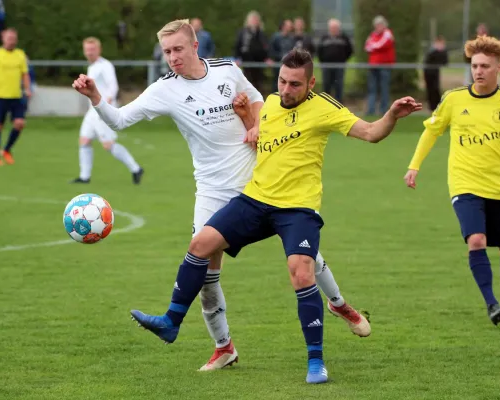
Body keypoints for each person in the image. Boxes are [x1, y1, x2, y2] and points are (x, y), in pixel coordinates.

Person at [72, 20, 371, 375]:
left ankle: (338, 304)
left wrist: (256, 126)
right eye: (167, 52)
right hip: (212, 193)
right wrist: (95, 98)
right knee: (205, 275)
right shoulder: (163, 90)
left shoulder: (227, 70)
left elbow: (260, 100)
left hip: (257, 184)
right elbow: (119, 121)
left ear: (195, 45)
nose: (172, 58)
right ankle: (223, 347)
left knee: (306, 258)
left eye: (178, 49)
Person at [404, 35, 500, 325]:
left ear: (499, 67)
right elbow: (431, 131)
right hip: (464, 184)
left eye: (485, 66)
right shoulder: (454, 99)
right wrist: (414, 165)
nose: (478, 71)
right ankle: (492, 305)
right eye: (474, 65)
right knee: (476, 240)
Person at [70, 37, 143, 184]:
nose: (90, 52)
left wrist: (105, 106)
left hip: (101, 110)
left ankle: (136, 169)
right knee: (84, 140)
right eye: (87, 49)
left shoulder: (105, 65)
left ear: (99, 49)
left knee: (107, 145)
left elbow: (113, 87)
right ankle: (85, 177)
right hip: (92, 112)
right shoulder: (92, 67)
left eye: (92, 49)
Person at [0, 28, 30, 166]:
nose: (11, 41)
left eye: (14, 38)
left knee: (20, 124)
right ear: (3, 39)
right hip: (1, 96)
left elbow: (25, 74)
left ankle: (6, 150)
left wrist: (27, 89)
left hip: (16, 96)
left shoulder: (20, 55)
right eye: (9, 38)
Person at [364, 15, 396, 115]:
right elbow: (367, 47)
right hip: (373, 65)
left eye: (380, 24)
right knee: (372, 89)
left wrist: (373, 46)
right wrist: (373, 46)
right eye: (376, 25)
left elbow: (381, 45)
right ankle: (371, 110)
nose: (378, 26)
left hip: (384, 66)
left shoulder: (387, 34)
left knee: (384, 89)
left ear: (384, 25)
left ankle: (384, 111)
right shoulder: (373, 34)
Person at [317, 18, 353, 102]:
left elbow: (349, 51)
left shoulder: (344, 38)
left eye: (335, 27)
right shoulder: (324, 38)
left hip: (339, 67)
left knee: (339, 86)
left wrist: (343, 60)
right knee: (326, 85)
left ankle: (339, 105)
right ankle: (325, 104)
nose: (334, 29)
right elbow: (319, 52)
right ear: (329, 28)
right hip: (326, 66)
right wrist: (323, 62)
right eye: (332, 27)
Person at [423, 36, 448, 111]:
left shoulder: (442, 52)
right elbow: (427, 60)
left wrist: (441, 51)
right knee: (430, 89)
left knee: (436, 89)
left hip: (435, 72)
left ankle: (438, 106)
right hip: (428, 72)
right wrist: (436, 50)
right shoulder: (432, 51)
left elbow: (445, 62)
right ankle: (431, 107)